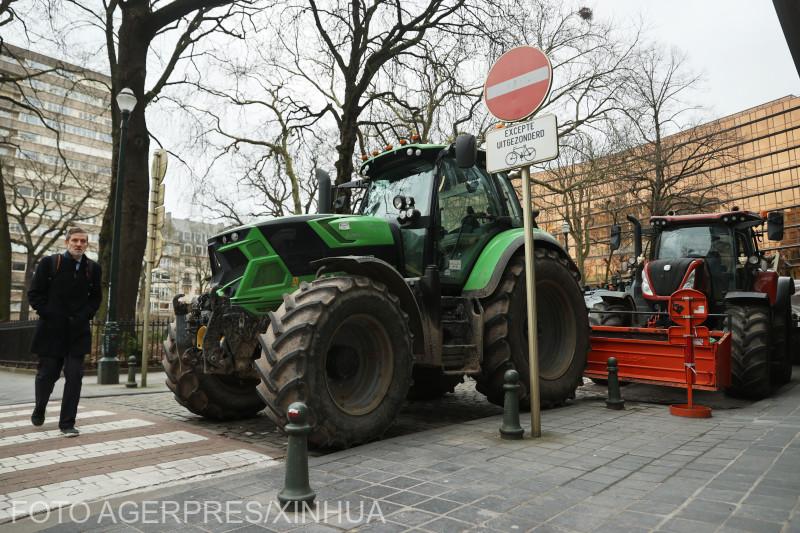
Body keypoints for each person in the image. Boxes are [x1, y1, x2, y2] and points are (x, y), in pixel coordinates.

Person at [27, 227, 102, 437]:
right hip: (51, 331)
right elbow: (34, 294)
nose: (79, 244)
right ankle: (40, 407)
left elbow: (96, 298)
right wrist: (50, 314)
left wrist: (85, 315)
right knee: (46, 376)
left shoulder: (93, 269)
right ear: (67, 242)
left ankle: (67, 423)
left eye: (83, 241)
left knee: (75, 376)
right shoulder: (50, 263)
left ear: (87, 244)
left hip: (77, 332)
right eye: (75, 240)